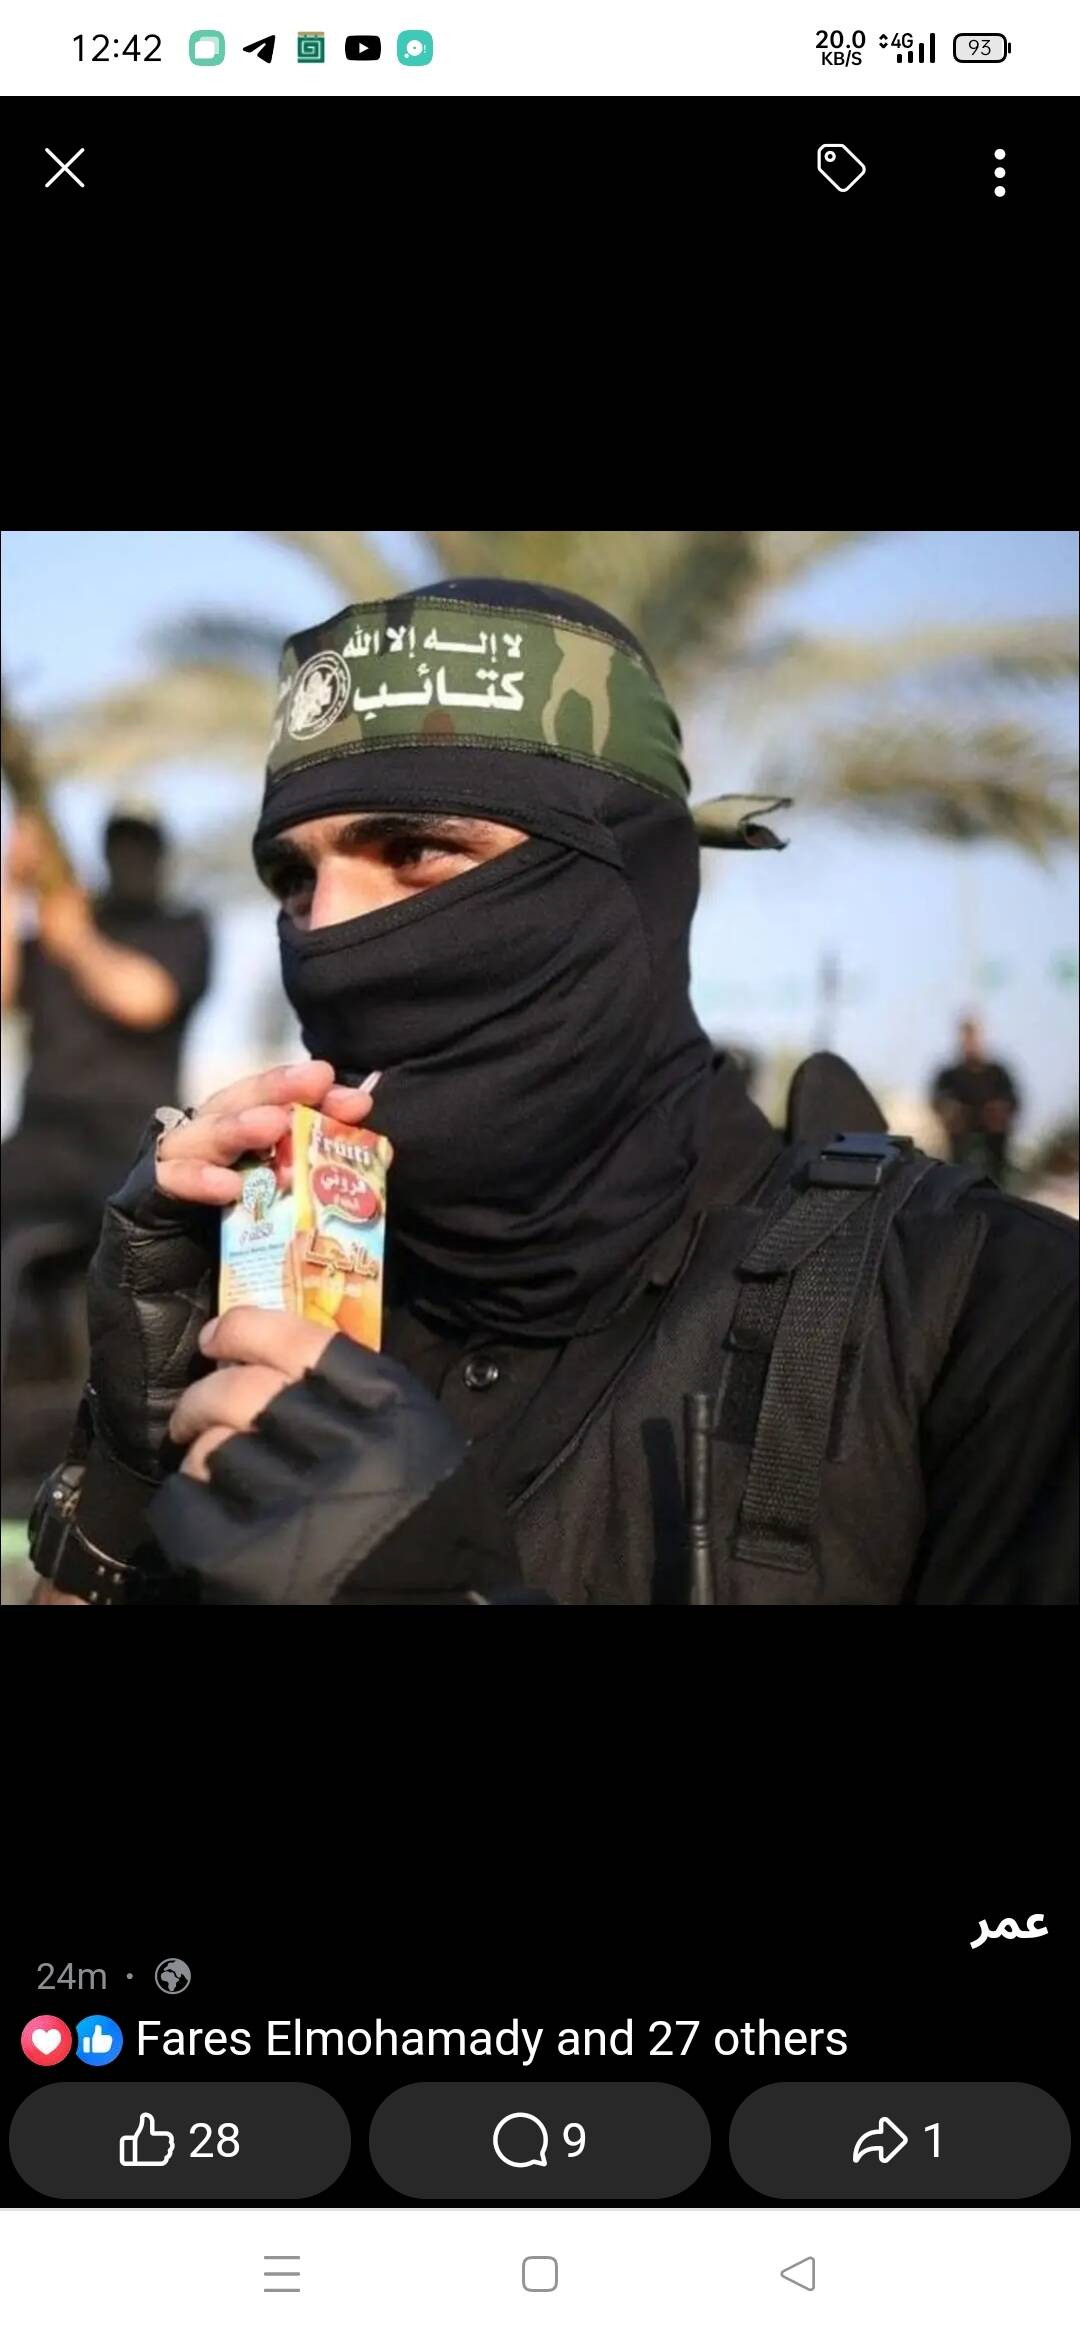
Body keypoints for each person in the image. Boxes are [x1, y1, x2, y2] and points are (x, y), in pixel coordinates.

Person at [29, 581, 1077, 1606]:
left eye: (417, 850)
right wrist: (125, 1479)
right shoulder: (277, 1307)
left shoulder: (985, 1314)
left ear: (628, 883)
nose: (329, 930)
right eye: (295, 880)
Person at [1, 809, 212, 1245]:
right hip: (40, 1137)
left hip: (131, 1142)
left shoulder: (180, 927)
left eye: (141, 849)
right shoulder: (61, 929)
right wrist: (12, 888)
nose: (130, 860)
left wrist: (78, 942)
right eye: (121, 848)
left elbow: (147, 999)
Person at [930, 1017, 1021, 1181]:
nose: (970, 1042)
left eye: (973, 1037)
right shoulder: (949, 1076)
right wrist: (951, 1111)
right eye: (967, 1037)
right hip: (961, 1140)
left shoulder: (997, 1073)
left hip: (994, 1143)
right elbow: (938, 1100)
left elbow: (1013, 1100)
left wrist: (998, 1111)